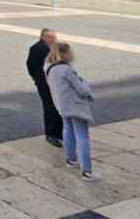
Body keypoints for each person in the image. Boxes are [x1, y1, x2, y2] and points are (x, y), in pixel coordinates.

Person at [46, 42, 100, 181]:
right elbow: (82, 90)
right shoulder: (67, 69)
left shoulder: (50, 69)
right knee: (83, 136)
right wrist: (85, 83)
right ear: (65, 53)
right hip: (75, 106)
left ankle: (71, 160)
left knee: (68, 130)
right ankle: (87, 172)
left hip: (62, 106)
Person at [27, 29, 63, 148]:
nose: (53, 39)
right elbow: (31, 65)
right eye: (50, 37)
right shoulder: (37, 48)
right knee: (50, 107)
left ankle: (59, 132)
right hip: (45, 83)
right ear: (42, 37)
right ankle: (51, 134)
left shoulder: (55, 47)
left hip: (54, 82)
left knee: (57, 107)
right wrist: (37, 79)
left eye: (54, 37)